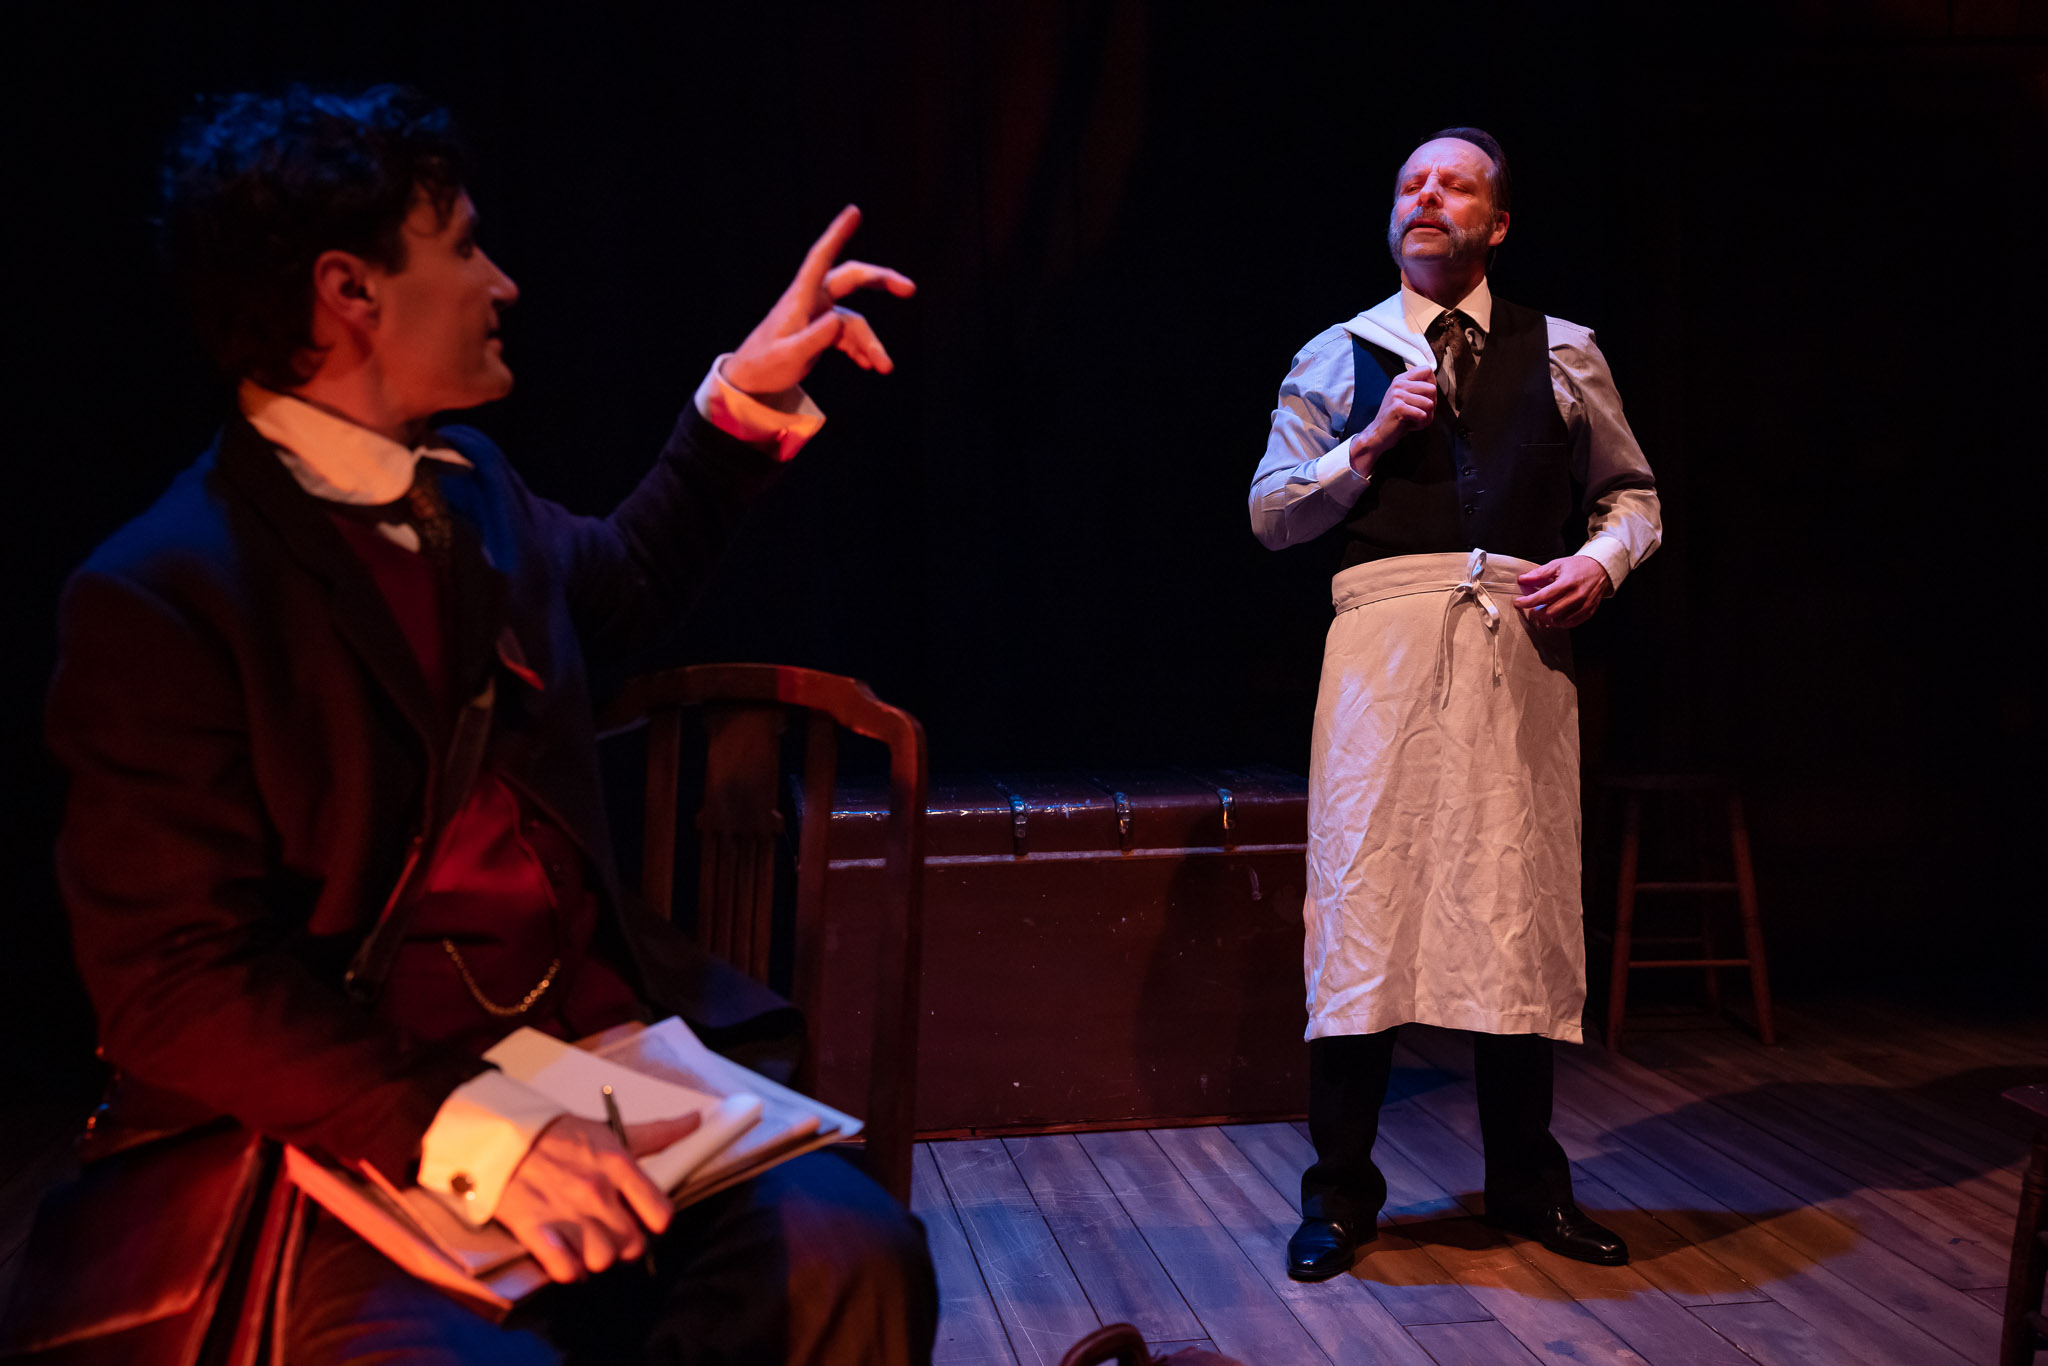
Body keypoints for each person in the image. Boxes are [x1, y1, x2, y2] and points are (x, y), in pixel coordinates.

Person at [29, 86, 932, 1363]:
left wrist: (739, 401)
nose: (500, 282)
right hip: (345, 1118)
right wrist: (470, 1123)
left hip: (582, 1064)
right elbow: (171, 982)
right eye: (461, 247)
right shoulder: (167, 591)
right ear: (350, 292)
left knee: (849, 1256)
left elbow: (616, 586)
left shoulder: (471, 488)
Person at [1247, 127, 1662, 1282]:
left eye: (1454, 184)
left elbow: (1628, 494)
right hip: (1381, 652)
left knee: (1511, 903)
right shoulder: (1337, 354)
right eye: (1409, 183)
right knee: (1364, 897)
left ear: (1496, 222)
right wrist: (1367, 446)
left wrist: (1600, 563)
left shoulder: (1564, 350)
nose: (1425, 197)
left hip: (1515, 644)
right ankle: (1337, 1195)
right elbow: (1270, 512)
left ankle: (1527, 1182)